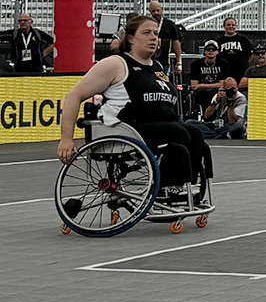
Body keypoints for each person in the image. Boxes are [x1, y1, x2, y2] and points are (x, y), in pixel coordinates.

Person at [55, 15, 212, 204]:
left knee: (195, 134)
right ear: (130, 38)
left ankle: (187, 184)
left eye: (156, 33)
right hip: (129, 127)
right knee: (179, 134)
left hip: (159, 127)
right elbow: (74, 96)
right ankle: (168, 186)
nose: (153, 37)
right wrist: (66, 139)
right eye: (146, 33)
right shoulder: (116, 64)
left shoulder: (158, 67)